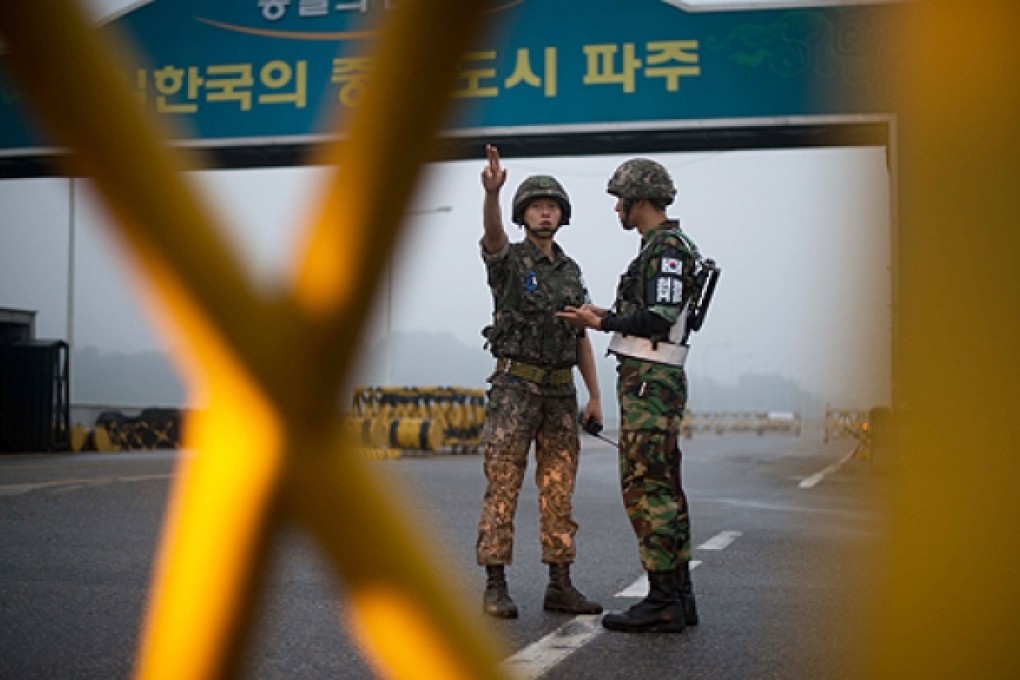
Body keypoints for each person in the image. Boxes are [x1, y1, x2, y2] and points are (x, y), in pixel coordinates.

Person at [557, 158, 703, 633]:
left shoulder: (665, 249)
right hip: (652, 379)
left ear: (640, 199)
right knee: (665, 486)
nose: (617, 207)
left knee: (647, 489)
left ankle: (662, 600)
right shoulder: (662, 248)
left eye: (621, 199)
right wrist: (604, 313)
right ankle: (678, 597)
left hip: (651, 383)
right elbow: (651, 313)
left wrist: (602, 322)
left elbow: (658, 317)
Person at [475, 144, 604, 619]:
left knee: (559, 491)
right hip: (514, 390)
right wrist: (492, 196)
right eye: (536, 206)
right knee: (503, 485)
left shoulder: (571, 272)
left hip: (560, 392)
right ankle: (495, 584)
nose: (545, 212)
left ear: (561, 216)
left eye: (552, 207)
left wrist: (594, 395)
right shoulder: (509, 261)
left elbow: (582, 334)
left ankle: (560, 583)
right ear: (522, 214)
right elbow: (490, 236)